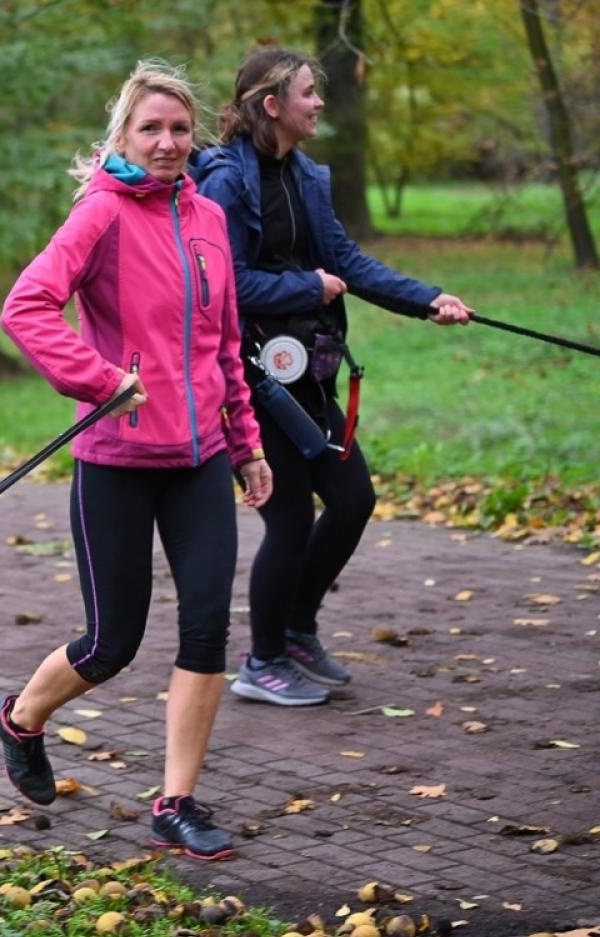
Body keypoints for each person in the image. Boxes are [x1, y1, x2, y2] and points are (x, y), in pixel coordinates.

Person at [0, 59, 271, 861]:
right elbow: (28, 306)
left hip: (198, 459)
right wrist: (101, 380)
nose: (168, 142)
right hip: (115, 457)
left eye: (180, 128)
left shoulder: (208, 219)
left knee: (209, 625)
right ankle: (21, 718)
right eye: (151, 128)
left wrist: (245, 443)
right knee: (111, 643)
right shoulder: (101, 214)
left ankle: (176, 800)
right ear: (123, 135)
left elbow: (221, 346)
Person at [191, 49, 472, 707]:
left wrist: (426, 298)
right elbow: (220, 281)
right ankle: (261, 662)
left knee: (353, 500)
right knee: (288, 520)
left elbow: (345, 259)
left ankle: (294, 629)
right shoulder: (227, 183)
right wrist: (305, 285)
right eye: (310, 93)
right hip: (252, 377)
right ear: (273, 105)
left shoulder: (306, 176)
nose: (319, 103)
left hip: (309, 366)